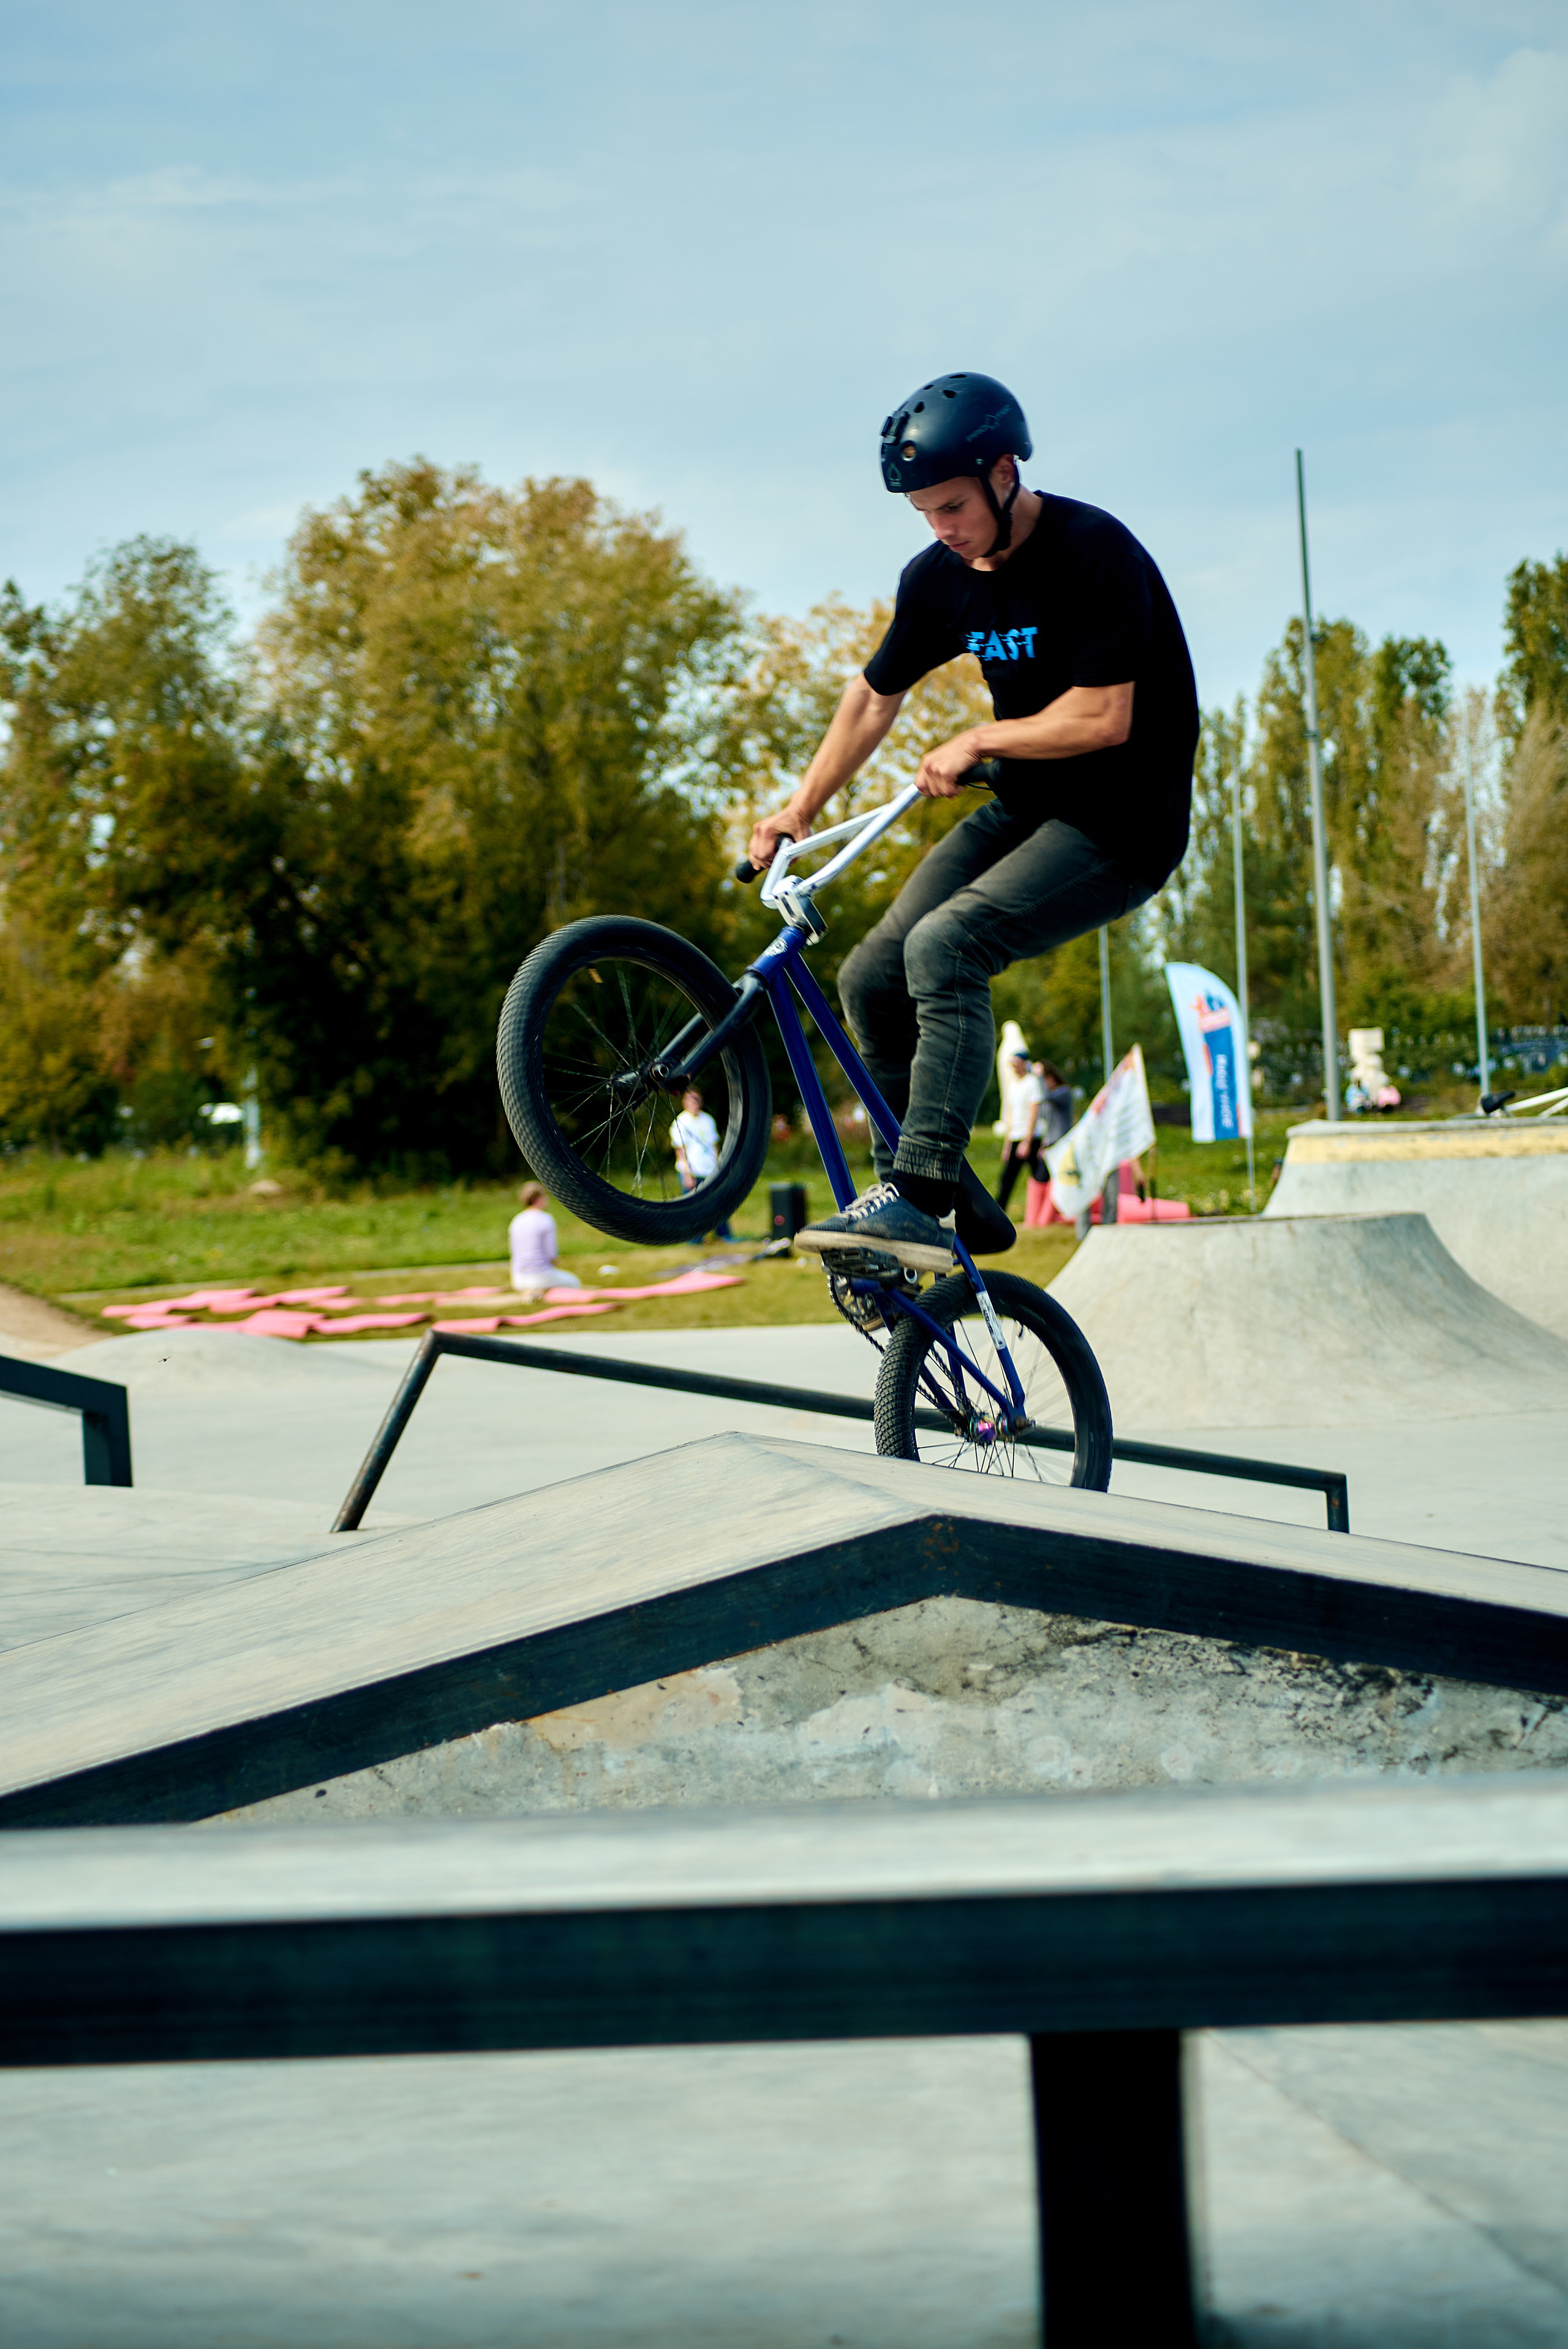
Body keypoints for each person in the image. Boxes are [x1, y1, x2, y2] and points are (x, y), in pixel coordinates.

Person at [747, 370, 1198, 1271]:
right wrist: (801, 807)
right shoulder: (941, 580)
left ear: (1002, 473)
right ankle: (922, 1200)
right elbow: (874, 698)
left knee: (945, 947)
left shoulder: (1093, 552)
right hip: (1031, 808)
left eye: (951, 505)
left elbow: (1106, 716)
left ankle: (918, 1193)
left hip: (1122, 824)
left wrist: (979, 736)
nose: (941, 528)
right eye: (923, 513)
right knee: (874, 973)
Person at [669, 1086, 733, 1241]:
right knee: (693, 1207)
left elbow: (714, 1145)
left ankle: (724, 1236)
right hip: (693, 1170)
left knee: (718, 1203)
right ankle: (694, 1240)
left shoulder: (708, 1120)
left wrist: (719, 1166)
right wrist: (687, 1174)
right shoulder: (681, 1121)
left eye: (697, 1100)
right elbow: (680, 1150)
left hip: (710, 1169)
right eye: (691, 1100)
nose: (694, 1103)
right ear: (685, 1102)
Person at [508, 1182, 582, 1296]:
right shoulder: (545, 1219)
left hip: (518, 1278)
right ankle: (540, 1291)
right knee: (574, 1283)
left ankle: (533, 1291)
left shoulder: (517, 1220)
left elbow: (514, 1252)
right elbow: (551, 1255)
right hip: (540, 1276)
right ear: (538, 1199)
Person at [996, 1048, 1044, 1212]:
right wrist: (1008, 1144)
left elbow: (1033, 1113)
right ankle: (999, 1211)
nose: (1014, 1068)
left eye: (1016, 1064)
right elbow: (1011, 1116)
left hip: (1030, 1137)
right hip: (1016, 1136)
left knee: (1040, 1177)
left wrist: (1027, 1141)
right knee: (1007, 1178)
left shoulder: (1032, 1083)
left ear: (1024, 1064)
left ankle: (1045, 1210)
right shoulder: (1013, 1085)